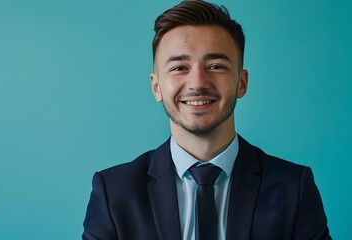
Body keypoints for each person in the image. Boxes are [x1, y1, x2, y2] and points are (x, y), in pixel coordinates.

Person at [82, 0, 331, 239]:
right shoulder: (113, 193)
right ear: (156, 87)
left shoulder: (294, 188)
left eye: (216, 66)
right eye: (179, 67)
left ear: (241, 83)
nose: (198, 83)